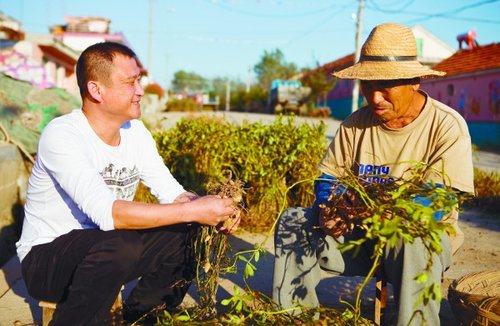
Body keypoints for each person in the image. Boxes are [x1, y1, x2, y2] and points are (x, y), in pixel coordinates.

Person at [16, 41, 237, 325]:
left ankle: (142, 317)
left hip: (110, 252)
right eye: (130, 82)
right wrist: (193, 210)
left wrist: (214, 208)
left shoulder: (135, 133)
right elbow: (107, 214)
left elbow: (172, 193)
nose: (141, 90)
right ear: (97, 90)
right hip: (46, 260)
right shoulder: (62, 136)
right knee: (122, 243)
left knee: (190, 232)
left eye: (139, 81)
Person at [273, 23, 474, 325]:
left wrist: (372, 213)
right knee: (294, 221)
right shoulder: (355, 124)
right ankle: (294, 316)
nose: (376, 97)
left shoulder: (446, 126)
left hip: (413, 243)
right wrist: (330, 207)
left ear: (414, 81)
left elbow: (437, 201)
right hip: (358, 240)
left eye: (385, 86)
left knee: (415, 239)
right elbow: (328, 178)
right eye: (369, 86)